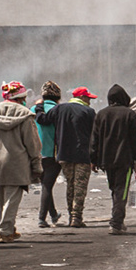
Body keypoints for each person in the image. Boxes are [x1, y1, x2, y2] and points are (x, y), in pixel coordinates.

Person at [0, 81, 43, 243]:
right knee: (12, 198)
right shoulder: (26, 115)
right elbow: (32, 143)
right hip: (17, 163)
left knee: (2, 198)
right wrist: (36, 164)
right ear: (21, 97)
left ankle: (9, 228)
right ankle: (5, 230)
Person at [92, 83, 136, 233]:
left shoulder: (101, 114)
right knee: (121, 190)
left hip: (106, 159)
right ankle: (116, 222)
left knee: (114, 188)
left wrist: (93, 159)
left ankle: (117, 220)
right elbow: (134, 138)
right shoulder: (129, 114)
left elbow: (94, 139)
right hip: (124, 159)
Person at [53, 86, 100, 228]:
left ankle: (70, 215)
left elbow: (44, 118)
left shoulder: (59, 109)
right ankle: (76, 217)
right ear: (82, 97)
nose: (90, 102)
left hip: (64, 154)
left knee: (70, 185)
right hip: (82, 154)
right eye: (88, 98)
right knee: (80, 186)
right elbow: (95, 135)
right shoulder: (89, 112)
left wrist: (38, 107)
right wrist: (95, 156)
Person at [32, 82, 64, 228]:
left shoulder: (33, 109)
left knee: (46, 183)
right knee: (47, 184)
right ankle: (41, 218)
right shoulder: (59, 110)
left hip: (35, 153)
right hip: (53, 153)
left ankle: (53, 214)